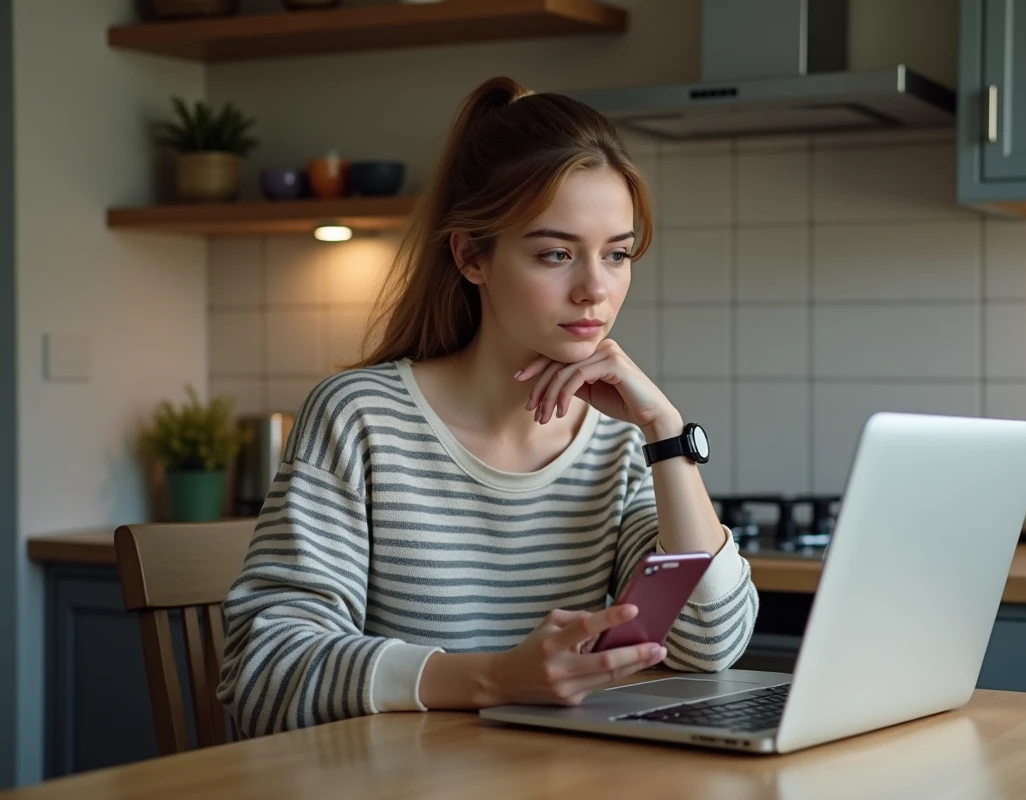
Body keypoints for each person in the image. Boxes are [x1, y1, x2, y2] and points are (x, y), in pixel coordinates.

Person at [216, 76, 759, 737]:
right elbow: (264, 670)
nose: (595, 289)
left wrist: (666, 436)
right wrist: (496, 678)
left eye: (617, 254)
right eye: (556, 254)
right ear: (472, 255)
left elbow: (710, 644)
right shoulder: (360, 417)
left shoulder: (619, 441)